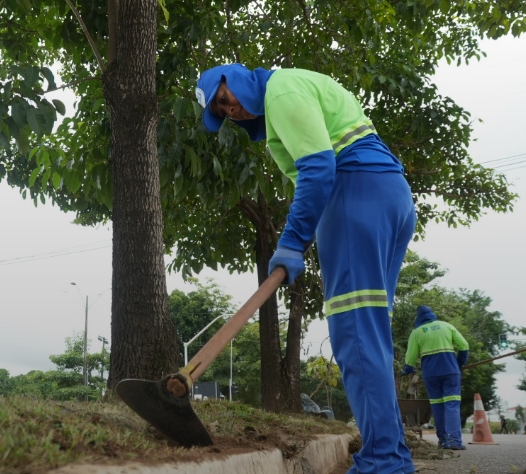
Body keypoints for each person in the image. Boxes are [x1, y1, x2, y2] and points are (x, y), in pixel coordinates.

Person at [196, 64, 416, 473]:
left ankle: (384, 463)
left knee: (354, 333)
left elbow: (317, 170)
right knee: (370, 332)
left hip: (356, 191)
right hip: (387, 194)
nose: (232, 111)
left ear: (236, 78)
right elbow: (315, 174)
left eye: (226, 99)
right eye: (223, 113)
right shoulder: (291, 89)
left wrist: (292, 240)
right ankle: (391, 455)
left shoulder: (280, 93)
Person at [402, 305, 470, 449]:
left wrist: (408, 368)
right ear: (432, 314)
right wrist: (459, 363)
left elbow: (410, 357)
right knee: (452, 405)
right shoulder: (446, 326)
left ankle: (444, 441)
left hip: (431, 375)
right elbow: (464, 345)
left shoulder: (417, 332)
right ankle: (455, 441)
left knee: (438, 406)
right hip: (450, 372)